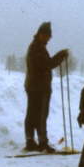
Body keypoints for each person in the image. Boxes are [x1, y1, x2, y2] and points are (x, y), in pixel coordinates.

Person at [24, 22, 68, 152]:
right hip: (39, 87)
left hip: (33, 86)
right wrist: (60, 56)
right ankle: (41, 142)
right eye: (48, 36)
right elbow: (47, 64)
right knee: (40, 115)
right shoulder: (37, 48)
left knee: (32, 114)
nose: (49, 39)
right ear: (41, 34)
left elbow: (45, 64)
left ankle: (30, 141)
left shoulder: (37, 47)